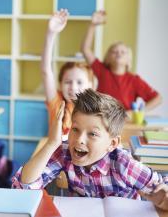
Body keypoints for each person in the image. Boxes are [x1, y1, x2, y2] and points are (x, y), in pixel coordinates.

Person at [12, 89, 168, 210]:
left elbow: (163, 191)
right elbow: (24, 187)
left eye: (92, 134)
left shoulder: (123, 163)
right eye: (75, 129)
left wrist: (162, 199)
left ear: (112, 144)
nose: (79, 139)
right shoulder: (65, 152)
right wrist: (51, 143)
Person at [81, 10, 162, 115]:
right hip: (102, 118)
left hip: (123, 122)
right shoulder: (102, 71)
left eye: (123, 52)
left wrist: (136, 113)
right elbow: (85, 49)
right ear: (108, 58)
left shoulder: (134, 80)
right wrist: (92, 25)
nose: (119, 53)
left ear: (128, 60)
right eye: (114, 51)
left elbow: (158, 98)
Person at [41, 9, 94, 136]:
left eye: (80, 82)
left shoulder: (95, 109)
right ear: (60, 84)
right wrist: (51, 33)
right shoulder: (57, 104)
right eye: (68, 82)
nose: (73, 87)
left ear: (91, 85)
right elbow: (46, 71)